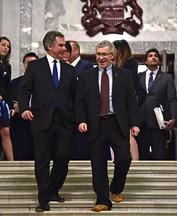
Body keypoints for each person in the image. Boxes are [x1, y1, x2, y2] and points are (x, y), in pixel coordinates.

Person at [75, 40, 141, 212]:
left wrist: (135, 123)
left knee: (124, 158)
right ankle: (103, 200)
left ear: (112, 55)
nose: (101, 57)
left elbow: (131, 102)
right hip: (95, 125)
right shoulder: (86, 76)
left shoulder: (125, 75)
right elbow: (80, 102)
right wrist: (81, 120)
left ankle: (116, 188)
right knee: (98, 164)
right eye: (98, 54)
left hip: (117, 124)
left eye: (104, 54)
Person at [18, 31, 76, 212]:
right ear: (49, 46)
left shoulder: (70, 69)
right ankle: (43, 199)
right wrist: (24, 108)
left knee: (63, 157)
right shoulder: (35, 67)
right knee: (42, 160)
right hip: (41, 119)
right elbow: (24, 90)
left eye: (64, 45)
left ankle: (52, 190)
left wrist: (75, 115)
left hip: (64, 121)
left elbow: (75, 96)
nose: (64, 48)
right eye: (61, 45)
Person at [136, 48, 177, 160]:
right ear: (145, 61)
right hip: (141, 123)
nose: (153, 57)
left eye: (156, 55)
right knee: (141, 156)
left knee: (159, 155)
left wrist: (174, 117)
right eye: (150, 56)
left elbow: (172, 99)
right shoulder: (138, 77)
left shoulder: (167, 78)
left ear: (159, 61)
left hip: (158, 123)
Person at [113, 39, 139, 160]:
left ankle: (135, 162)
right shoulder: (116, 65)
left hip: (125, 105)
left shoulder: (130, 62)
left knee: (129, 135)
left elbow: (131, 85)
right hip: (119, 105)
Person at [68, 40, 94, 160]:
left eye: (69, 49)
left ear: (77, 51)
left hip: (82, 111)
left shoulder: (86, 65)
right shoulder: (64, 66)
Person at [10, 52, 38, 160]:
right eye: (28, 63)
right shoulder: (15, 82)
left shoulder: (44, 82)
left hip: (38, 120)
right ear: (24, 65)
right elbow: (12, 100)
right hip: (20, 123)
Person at [0, 36, 15, 161]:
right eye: (3, 45)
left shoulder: (7, 65)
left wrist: (10, 105)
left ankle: (12, 164)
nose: (6, 48)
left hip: (4, 103)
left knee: (6, 132)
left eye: (8, 46)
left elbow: (8, 86)